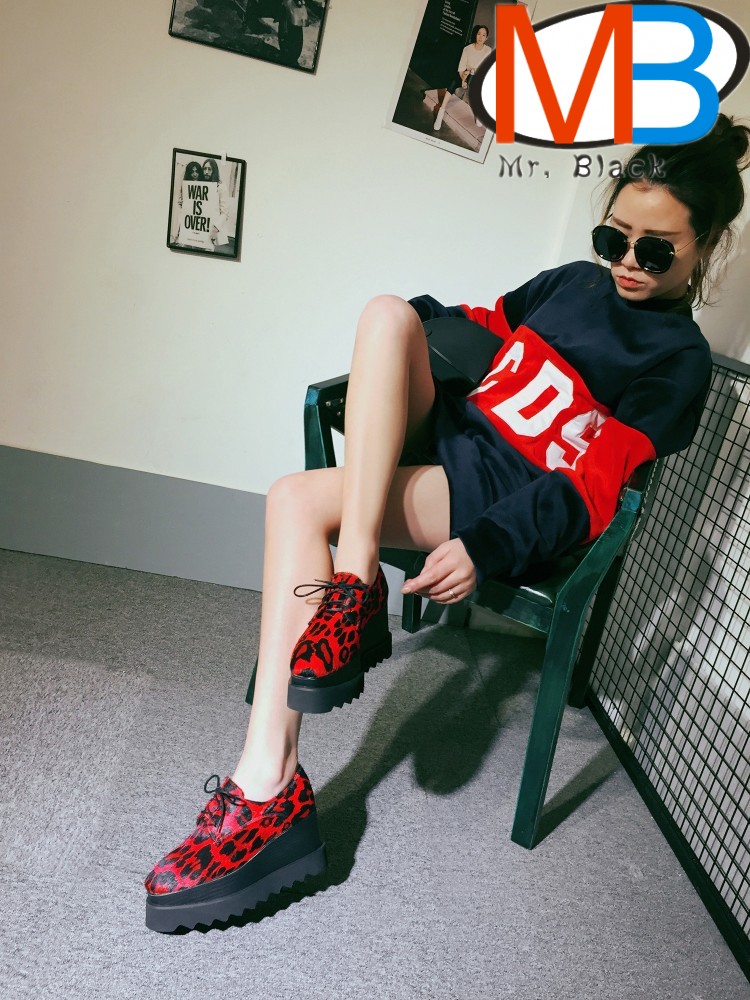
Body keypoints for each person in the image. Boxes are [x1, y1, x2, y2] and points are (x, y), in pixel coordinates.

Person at [144, 114, 749, 932]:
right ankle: (355, 584)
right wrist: (406, 353)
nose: (626, 264)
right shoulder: (573, 283)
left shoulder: (676, 363)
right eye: (615, 238)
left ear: (706, 245)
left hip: (501, 498)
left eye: (655, 250)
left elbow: (594, 488)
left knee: (292, 497)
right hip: (457, 438)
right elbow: (482, 327)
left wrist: (488, 544)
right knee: (387, 313)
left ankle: (266, 786)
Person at [433, 25, 492, 130]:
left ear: (486, 38)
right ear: (475, 35)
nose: (480, 37)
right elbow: (461, 68)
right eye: (479, 34)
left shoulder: (488, 50)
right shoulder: (467, 49)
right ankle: (441, 111)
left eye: (483, 35)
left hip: (478, 75)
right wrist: (463, 79)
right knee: (452, 83)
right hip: (465, 73)